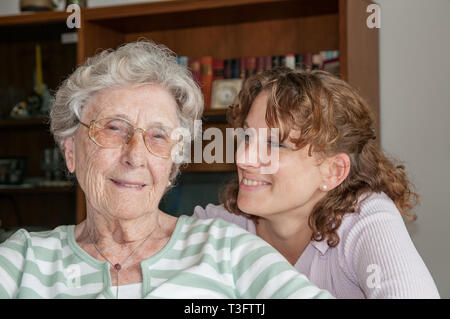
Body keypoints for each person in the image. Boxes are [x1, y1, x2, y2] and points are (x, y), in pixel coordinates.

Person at [0, 41, 333, 299]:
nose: (135, 156)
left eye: (158, 136)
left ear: (173, 163)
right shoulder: (21, 262)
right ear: (71, 151)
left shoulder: (227, 250)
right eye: (114, 128)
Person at [193, 67, 440, 299]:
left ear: (333, 171)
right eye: (247, 136)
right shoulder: (224, 225)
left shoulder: (363, 219)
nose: (243, 158)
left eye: (276, 144)